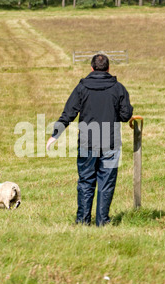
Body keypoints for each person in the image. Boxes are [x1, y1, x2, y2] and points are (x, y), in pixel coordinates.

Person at [46, 54, 133, 226]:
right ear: (108, 69)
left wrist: (55, 134)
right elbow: (125, 115)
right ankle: (103, 222)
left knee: (86, 181)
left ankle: (82, 222)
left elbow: (69, 113)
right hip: (110, 143)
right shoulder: (118, 88)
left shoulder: (81, 88)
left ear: (92, 68)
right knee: (106, 183)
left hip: (87, 143)